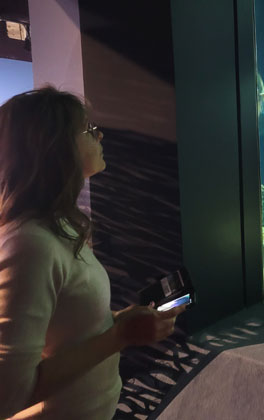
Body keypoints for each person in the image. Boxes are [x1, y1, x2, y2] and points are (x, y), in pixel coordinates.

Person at [0, 87, 186, 419]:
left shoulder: (59, 224)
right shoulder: (29, 245)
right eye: (88, 129)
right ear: (55, 147)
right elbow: (10, 395)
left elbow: (63, 332)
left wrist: (118, 320)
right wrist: (120, 336)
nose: (100, 135)